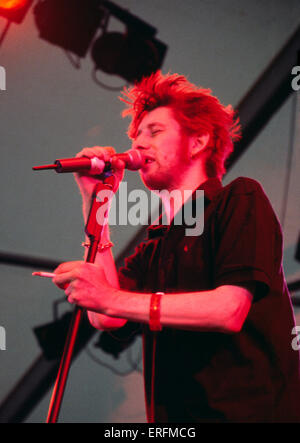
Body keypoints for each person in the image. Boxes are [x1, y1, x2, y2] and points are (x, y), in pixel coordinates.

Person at [53, 71, 300, 423]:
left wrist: (109, 297)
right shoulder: (155, 246)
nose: (137, 145)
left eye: (155, 132)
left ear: (197, 142)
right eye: (136, 135)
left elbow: (229, 310)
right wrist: (96, 204)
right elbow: (106, 315)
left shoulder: (238, 199)